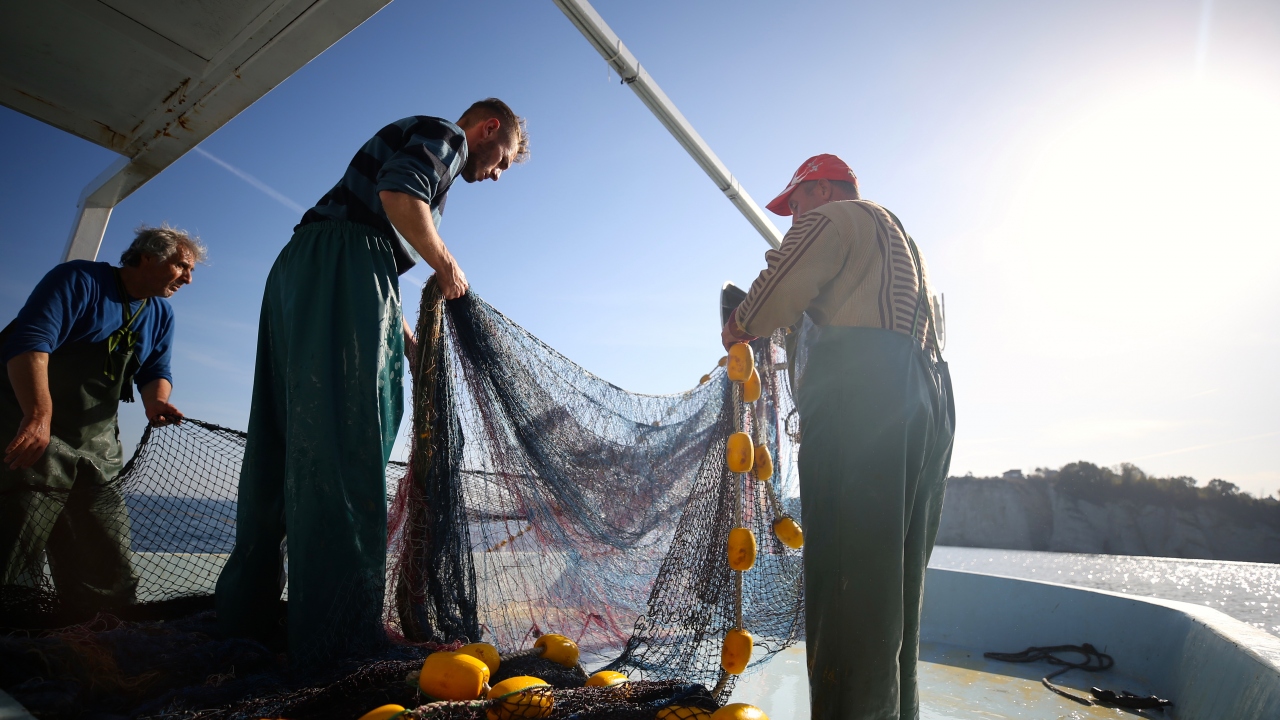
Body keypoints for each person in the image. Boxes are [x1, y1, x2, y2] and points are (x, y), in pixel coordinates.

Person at [215, 98, 529, 665]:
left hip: (301, 270)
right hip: (343, 264)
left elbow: (373, 239)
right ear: (488, 129)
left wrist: (405, 338)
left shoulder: (407, 159)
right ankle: (335, 641)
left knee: (278, 439)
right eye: (503, 160)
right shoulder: (448, 139)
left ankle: (243, 616)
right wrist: (446, 265)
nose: (498, 174)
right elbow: (399, 194)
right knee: (350, 442)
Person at [721, 154, 955, 720]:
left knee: (847, 579)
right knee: (894, 584)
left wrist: (738, 325)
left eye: (796, 202)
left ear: (823, 190)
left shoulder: (834, 219)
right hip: (929, 400)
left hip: (865, 400)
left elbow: (778, 285)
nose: (793, 216)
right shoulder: (903, 243)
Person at [1, 225, 201, 611]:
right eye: (181, 266)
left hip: (97, 444)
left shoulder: (160, 313)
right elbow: (29, 343)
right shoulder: (79, 280)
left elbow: (155, 370)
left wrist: (156, 402)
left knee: (105, 552)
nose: (188, 279)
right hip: (25, 424)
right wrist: (38, 415)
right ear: (147, 257)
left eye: (190, 270)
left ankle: (105, 627)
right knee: (16, 537)